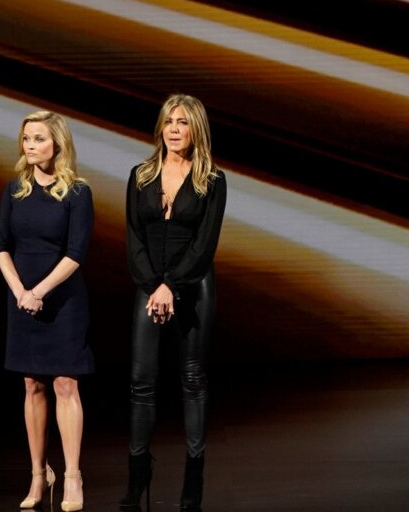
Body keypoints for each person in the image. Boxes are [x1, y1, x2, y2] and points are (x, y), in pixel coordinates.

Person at [119, 94, 228, 512]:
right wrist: (154, 286)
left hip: (194, 285)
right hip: (150, 288)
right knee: (141, 382)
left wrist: (173, 285)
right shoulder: (141, 174)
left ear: (195, 128)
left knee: (193, 379)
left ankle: (194, 475)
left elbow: (204, 246)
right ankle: (137, 473)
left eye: (183, 122)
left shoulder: (212, 180)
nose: (175, 129)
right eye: (169, 121)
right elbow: (133, 238)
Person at [0, 110, 95, 512]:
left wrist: (39, 290)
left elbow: (76, 254)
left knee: (65, 384)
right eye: (26, 139)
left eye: (38, 138)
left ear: (57, 142)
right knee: (31, 384)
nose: (30, 146)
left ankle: (72, 476)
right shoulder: (14, 190)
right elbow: (2, 247)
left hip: (62, 299)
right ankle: (39, 475)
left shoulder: (77, 192)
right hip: (22, 298)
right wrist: (21, 291)